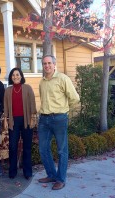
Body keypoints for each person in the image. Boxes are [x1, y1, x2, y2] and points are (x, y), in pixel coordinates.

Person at [38, 55, 80, 190]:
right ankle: (51, 175)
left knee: (62, 150)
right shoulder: (42, 82)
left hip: (59, 119)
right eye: (44, 63)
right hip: (44, 119)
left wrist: (65, 112)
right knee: (43, 149)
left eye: (49, 63)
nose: (47, 66)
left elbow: (74, 98)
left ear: (54, 64)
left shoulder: (63, 79)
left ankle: (61, 179)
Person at [3, 68, 37, 180]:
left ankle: (27, 172)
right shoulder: (8, 90)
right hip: (13, 121)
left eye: (17, 75)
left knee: (27, 147)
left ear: (21, 76)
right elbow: (6, 106)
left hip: (26, 120)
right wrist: (6, 120)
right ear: (11, 77)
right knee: (13, 147)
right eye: (13, 75)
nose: (15, 77)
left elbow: (32, 102)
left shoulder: (27, 88)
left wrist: (32, 117)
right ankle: (13, 170)